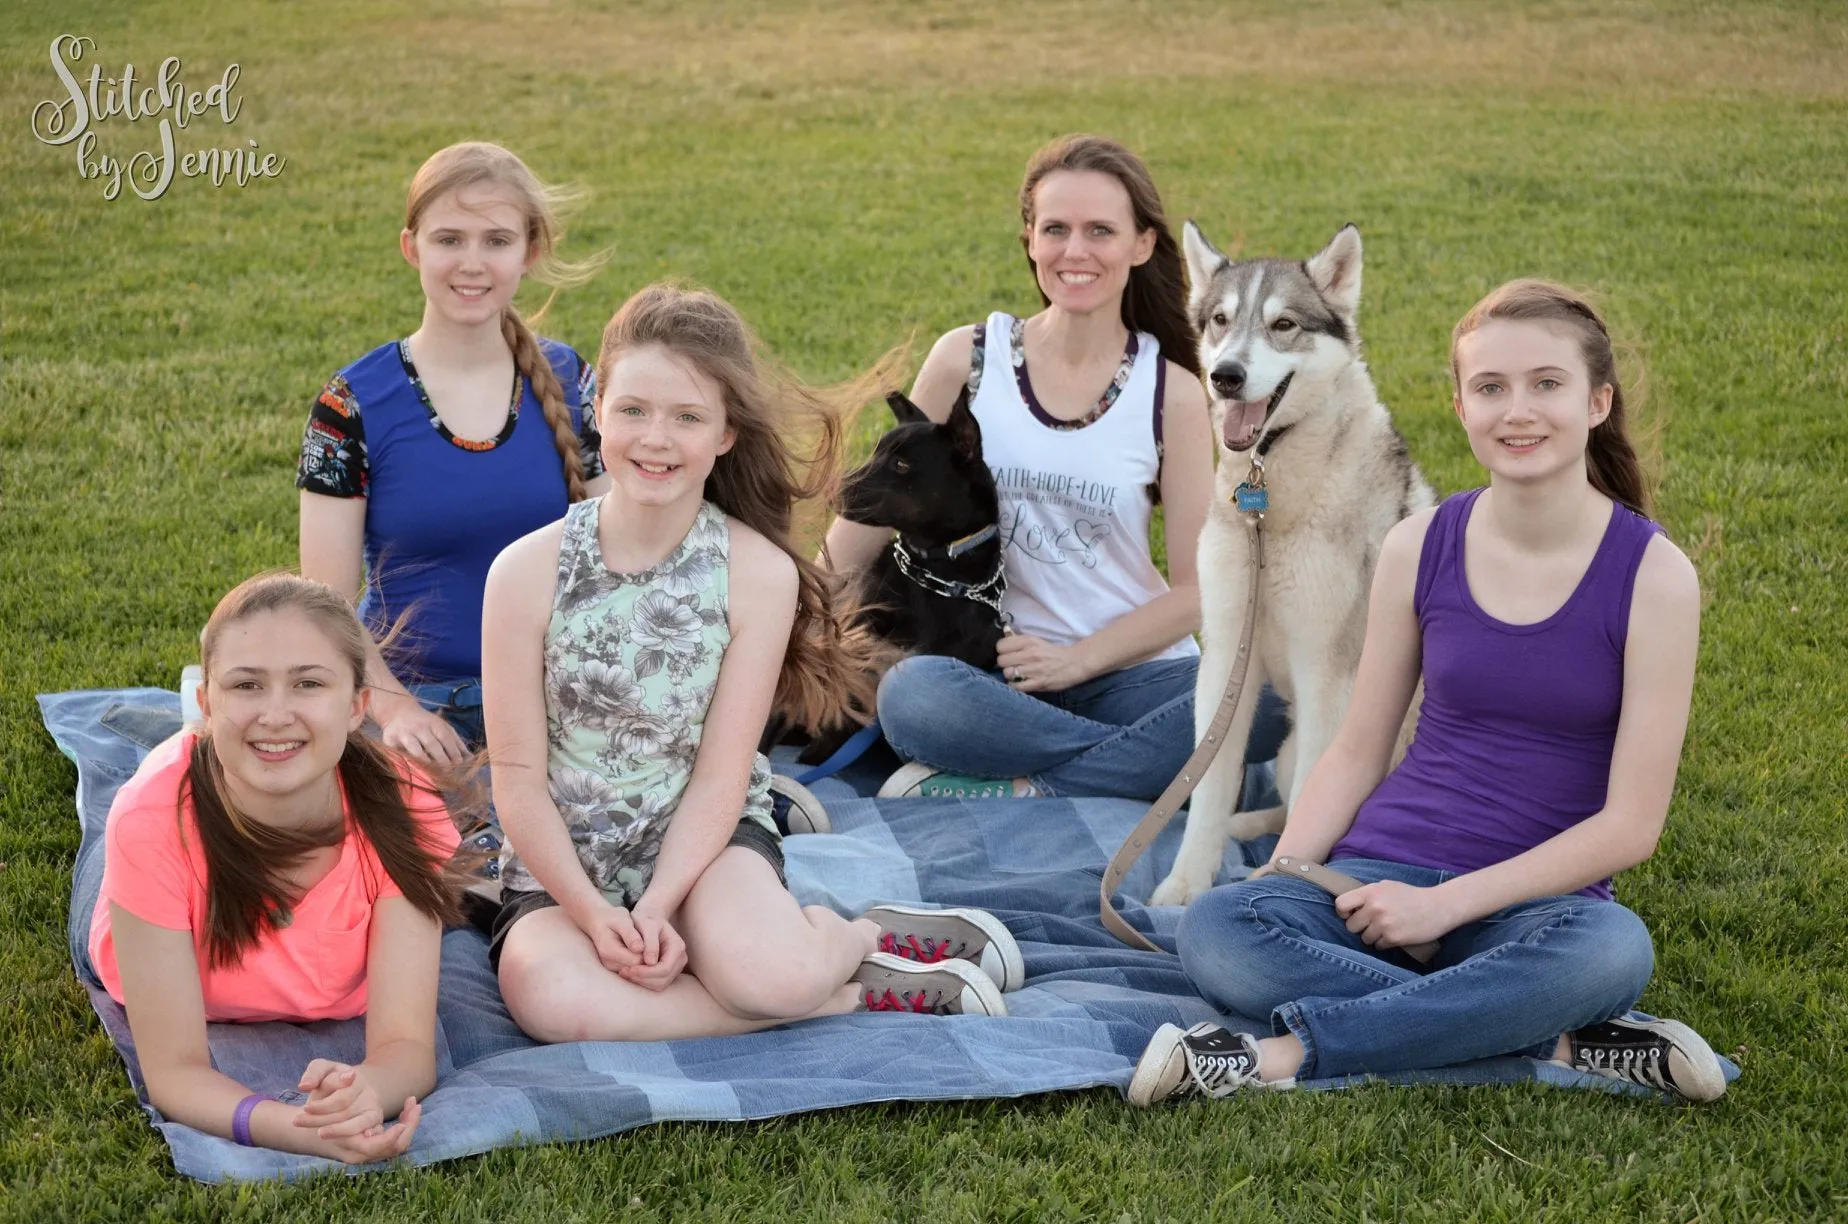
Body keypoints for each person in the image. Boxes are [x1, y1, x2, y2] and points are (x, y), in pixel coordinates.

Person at [1129, 280, 1728, 1105]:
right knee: (1222, 928)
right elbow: (1358, 747)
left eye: (1546, 384)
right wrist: (1289, 869)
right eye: (1490, 388)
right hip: (1374, 880)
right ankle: (1551, 1039)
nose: (1517, 410)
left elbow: (1630, 826)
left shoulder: (1655, 576)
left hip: (1532, 905)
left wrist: (1443, 908)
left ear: (1597, 402)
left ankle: (1274, 1059)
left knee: (1614, 952)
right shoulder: (1421, 546)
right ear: (1460, 406)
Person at [481, 284, 1027, 1042]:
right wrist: (596, 914)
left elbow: (721, 775)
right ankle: (835, 997)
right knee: (555, 1004)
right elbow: (514, 778)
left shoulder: (755, 574)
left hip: (703, 848)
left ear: (727, 433)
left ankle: (853, 941)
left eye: (688, 417)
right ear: (596, 407)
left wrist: (658, 906)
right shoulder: (523, 572)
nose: (656, 439)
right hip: (561, 868)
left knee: (775, 974)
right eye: (633, 409)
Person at [826, 133, 1282, 801]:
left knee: (1272, 690)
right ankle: (1135, 771)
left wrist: (1078, 660)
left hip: (1124, 673)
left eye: (1101, 230)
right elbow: (861, 528)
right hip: (988, 678)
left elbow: (1193, 592)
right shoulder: (967, 360)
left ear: (1142, 245)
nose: (1076, 251)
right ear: (1029, 240)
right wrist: (792, 618)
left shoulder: (1173, 391)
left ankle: (1033, 783)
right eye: (1056, 229)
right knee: (910, 694)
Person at [88, 574, 470, 1161]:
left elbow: (406, 1047)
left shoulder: (405, 808)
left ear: (357, 706)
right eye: (246, 685)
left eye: (308, 683)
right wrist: (284, 1126)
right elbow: (174, 1071)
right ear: (208, 704)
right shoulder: (151, 823)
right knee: (118, 813)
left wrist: (365, 1094)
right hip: (144, 871)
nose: (275, 713)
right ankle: (170, 748)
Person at [298, 141, 610, 765]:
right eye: (449, 240)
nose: (472, 263)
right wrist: (392, 710)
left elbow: (624, 555)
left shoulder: (573, 380)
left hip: (549, 695)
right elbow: (325, 604)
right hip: (412, 699)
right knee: (426, 846)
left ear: (531, 253)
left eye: (496, 240)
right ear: (412, 247)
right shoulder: (349, 405)